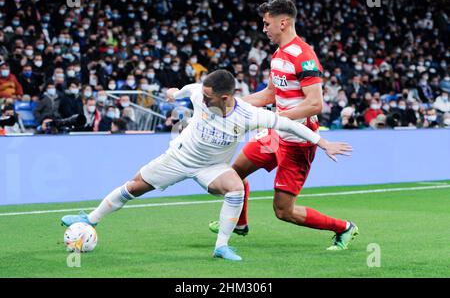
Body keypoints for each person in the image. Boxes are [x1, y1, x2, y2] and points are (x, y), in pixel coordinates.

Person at [61, 70, 352, 261]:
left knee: (236, 186)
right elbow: (181, 92)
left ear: (225, 97)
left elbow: (287, 123)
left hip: (212, 167)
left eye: (208, 97)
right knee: (134, 186)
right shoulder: (199, 92)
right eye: (202, 93)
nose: (202, 98)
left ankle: (222, 246)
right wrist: (174, 93)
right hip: (179, 158)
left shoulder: (248, 115)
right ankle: (92, 218)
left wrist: (322, 142)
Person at [208, 0, 359, 251]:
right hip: (274, 136)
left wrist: (278, 120)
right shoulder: (278, 55)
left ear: (283, 22)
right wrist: (232, 106)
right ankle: (240, 224)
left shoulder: (304, 57)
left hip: (298, 142)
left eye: (267, 24)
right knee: (233, 175)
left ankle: (344, 228)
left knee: (283, 211)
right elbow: (269, 95)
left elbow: (315, 104)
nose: (264, 29)